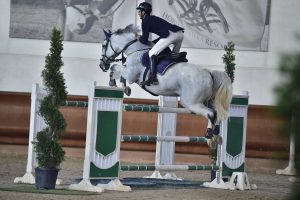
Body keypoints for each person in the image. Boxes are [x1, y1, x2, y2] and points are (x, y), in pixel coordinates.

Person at [136, 2, 184, 86]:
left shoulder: (145, 21)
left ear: (144, 12)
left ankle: (153, 77)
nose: (139, 13)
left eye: (140, 11)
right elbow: (161, 35)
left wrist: (138, 37)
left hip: (170, 35)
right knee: (174, 55)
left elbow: (144, 40)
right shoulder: (153, 18)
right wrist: (155, 42)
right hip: (179, 34)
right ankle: (178, 63)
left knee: (152, 53)